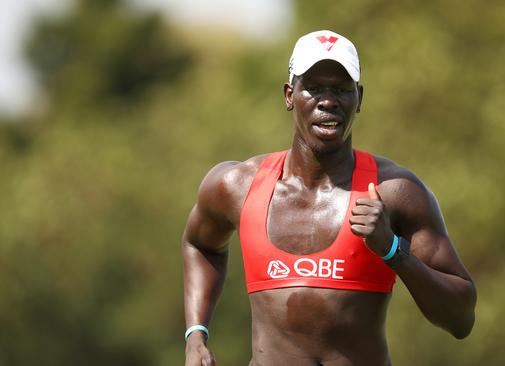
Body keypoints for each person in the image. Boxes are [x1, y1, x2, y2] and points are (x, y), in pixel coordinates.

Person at [182, 30, 477, 366]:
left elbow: (461, 318)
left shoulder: (395, 192)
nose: (328, 100)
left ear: (359, 98)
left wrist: (393, 250)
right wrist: (196, 335)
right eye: (315, 87)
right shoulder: (237, 186)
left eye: (340, 89)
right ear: (289, 95)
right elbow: (200, 244)